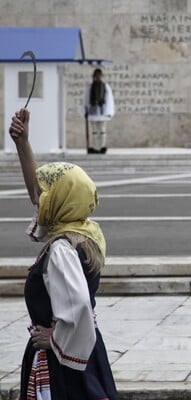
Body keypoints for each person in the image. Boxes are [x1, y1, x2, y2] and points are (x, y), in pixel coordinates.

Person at [8, 108, 119, 400]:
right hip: (84, 352)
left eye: (49, 194)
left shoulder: (61, 249)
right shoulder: (85, 230)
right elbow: (38, 195)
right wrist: (23, 143)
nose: (41, 198)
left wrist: (54, 338)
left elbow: (78, 304)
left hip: (62, 362)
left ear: (59, 201)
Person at [83, 68, 115, 154]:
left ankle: (102, 146)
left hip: (102, 111)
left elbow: (109, 100)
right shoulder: (90, 86)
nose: (97, 77)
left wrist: (109, 112)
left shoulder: (105, 86)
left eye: (99, 75)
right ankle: (96, 147)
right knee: (94, 131)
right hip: (93, 111)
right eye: (96, 75)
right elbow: (86, 99)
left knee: (102, 131)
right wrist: (85, 110)